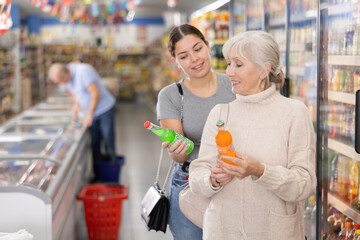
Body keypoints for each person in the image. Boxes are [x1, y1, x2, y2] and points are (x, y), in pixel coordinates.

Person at [189, 31, 317, 240]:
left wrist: (260, 171)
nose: (229, 72)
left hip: (275, 232)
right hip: (222, 231)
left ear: (263, 70)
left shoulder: (294, 112)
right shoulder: (221, 113)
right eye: (229, 63)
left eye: (238, 64)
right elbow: (196, 176)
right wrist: (212, 179)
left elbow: (304, 184)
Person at [156, 24, 236, 240]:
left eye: (197, 49)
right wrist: (177, 149)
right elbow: (178, 155)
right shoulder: (171, 96)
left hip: (234, 178)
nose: (194, 59)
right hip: (189, 182)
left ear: (208, 46)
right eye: (184, 56)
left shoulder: (234, 84)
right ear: (176, 61)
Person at [48, 62, 116, 182]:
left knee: (108, 141)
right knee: (95, 144)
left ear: (64, 74)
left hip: (104, 110)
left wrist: (89, 114)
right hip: (92, 113)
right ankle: (98, 176)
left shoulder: (83, 71)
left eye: (60, 81)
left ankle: (111, 176)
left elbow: (95, 93)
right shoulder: (67, 78)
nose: (61, 84)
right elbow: (75, 93)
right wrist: (76, 106)